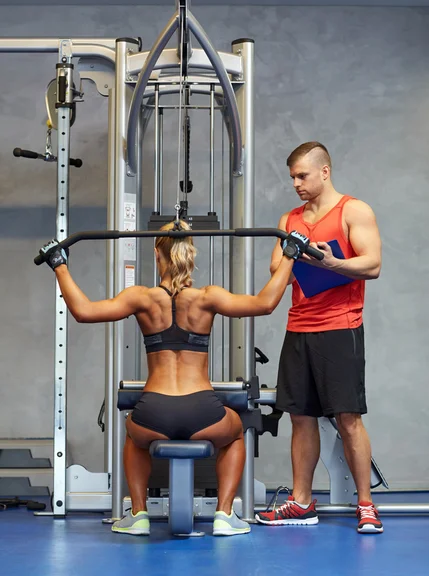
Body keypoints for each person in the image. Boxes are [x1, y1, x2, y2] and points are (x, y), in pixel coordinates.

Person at [39, 220, 311, 537]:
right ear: (190, 255)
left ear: (158, 253)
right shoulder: (208, 297)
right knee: (236, 431)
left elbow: (83, 311)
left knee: (134, 435)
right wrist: (290, 254)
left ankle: (138, 514)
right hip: (203, 411)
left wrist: (59, 266)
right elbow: (265, 303)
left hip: (154, 410)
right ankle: (224, 514)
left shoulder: (140, 297)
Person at [255, 142, 383, 534]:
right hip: (299, 328)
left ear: (324, 172)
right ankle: (302, 502)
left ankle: (366, 505)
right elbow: (278, 268)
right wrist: (299, 256)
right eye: (292, 176)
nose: (296, 183)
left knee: (348, 419)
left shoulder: (353, 210)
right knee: (301, 417)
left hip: (341, 326)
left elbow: (372, 263)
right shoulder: (289, 218)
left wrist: (331, 261)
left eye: (302, 176)